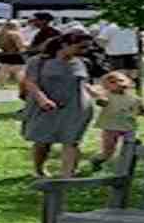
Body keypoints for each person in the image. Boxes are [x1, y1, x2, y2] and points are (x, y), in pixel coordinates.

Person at [19, 32, 96, 179]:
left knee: (71, 141)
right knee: (43, 142)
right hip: (45, 107)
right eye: (81, 47)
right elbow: (30, 82)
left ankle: (67, 176)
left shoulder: (82, 62)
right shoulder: (38, 61)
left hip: (75, 107)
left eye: (87, 48)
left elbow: (84, 84)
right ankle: (39, 169)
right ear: (65, 45)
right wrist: (42, 99)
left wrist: (98, 96)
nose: (84, 51)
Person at [88, 70, 142, 172]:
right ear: (106, 86)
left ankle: (126, 166)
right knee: (109, 151)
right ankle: (98, 159)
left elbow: (140, 111)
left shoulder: (134, 98)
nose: (118, 84)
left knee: (132, 144)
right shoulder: (107, 96)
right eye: (112, 82)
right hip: (110, 127)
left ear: (128, 82)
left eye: (121, 80)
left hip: (129, 127)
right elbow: (101, 101)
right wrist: (96, 96)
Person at [0, 21, 28, 88]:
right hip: (15, 54)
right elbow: (20, 46)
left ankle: (1, 84)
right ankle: (22, 85)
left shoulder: (0, 34)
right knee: (19, 70)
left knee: (3, 69)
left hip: (4, 54)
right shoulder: (15, 34)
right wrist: (26, 47)